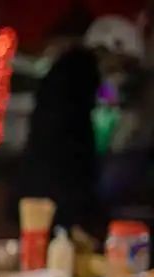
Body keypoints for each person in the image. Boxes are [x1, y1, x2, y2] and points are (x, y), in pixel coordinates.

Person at [14, 15, 144, 242]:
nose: (119, 71)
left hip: (45, 182)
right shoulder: (80, 71)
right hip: (55, 186)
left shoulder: (71, 68)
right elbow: (71, 141)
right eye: (121, 62)